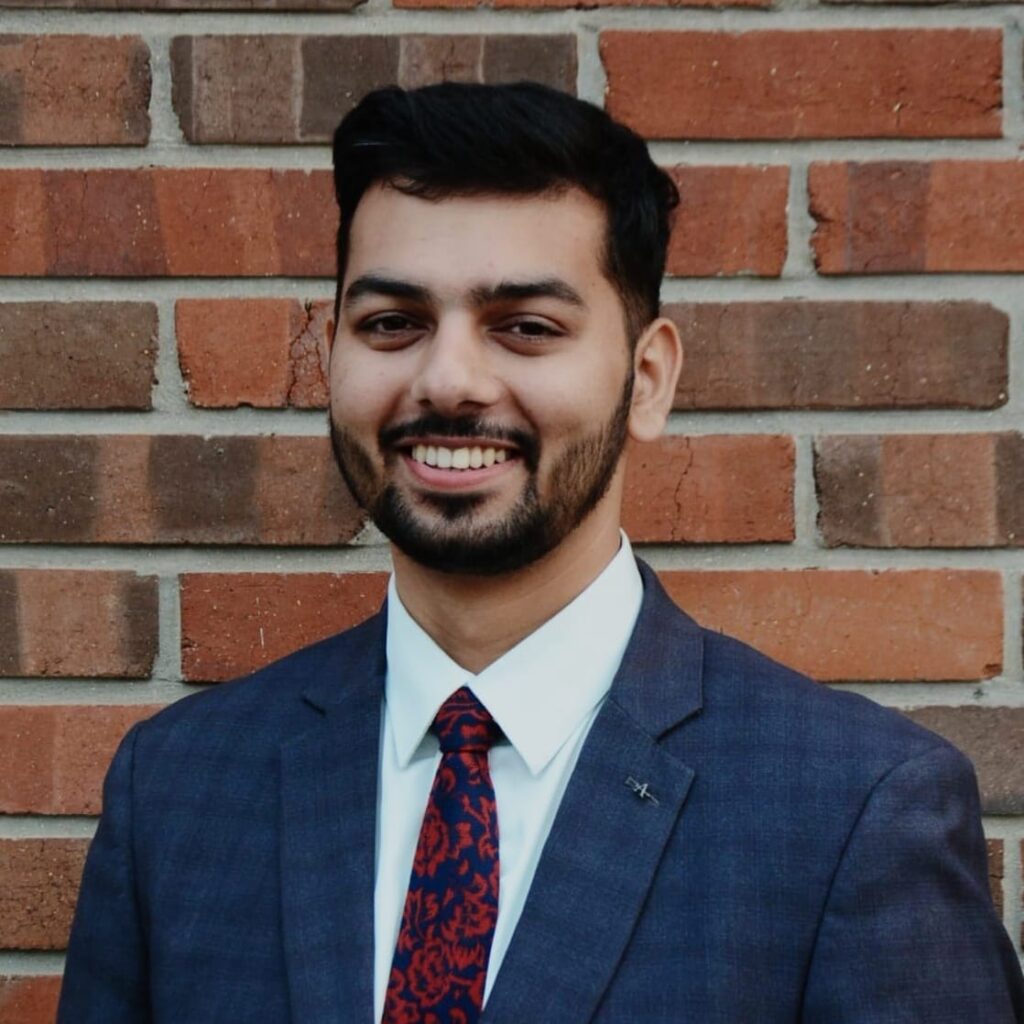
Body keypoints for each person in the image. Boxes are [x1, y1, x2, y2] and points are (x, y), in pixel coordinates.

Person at [59, 82, 1023, 1023]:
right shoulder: (179, 788)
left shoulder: (854, 810)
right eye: (393, 323)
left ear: (648, 379)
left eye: (525, 327)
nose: (449, 380)